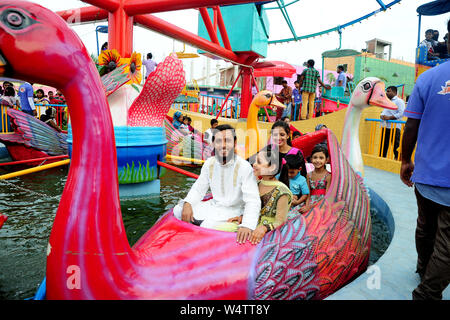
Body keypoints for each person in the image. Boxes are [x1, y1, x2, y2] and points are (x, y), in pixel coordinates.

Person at [400, 20, 450, 300]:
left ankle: (423, 269)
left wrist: (405, 160)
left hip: (427, 176)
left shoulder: (427, 78)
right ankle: (427, 293)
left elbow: (411, 126)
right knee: (447, 244)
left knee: (425, 227)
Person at [173, 124, 261, 243]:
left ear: (234, 143)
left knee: (207, 226)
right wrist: (188, 203)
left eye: (227, 140)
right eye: (219, 141)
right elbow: (199, 188)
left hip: (234, 210)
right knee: (178, 210)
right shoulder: (210, 163)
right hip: (214, 206)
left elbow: (252, 199)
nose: (223, 145)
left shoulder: (244, 167)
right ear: (214, 143)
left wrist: (247, 225)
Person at [247, 147, 292, 244]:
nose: (254, 164)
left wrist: (264, 228)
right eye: (255, 161)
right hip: (252, 229)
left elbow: (280, 221)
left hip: (271, 237)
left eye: (259, 162)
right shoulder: (257, 184)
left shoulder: (282, 191)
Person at [300, 144, 331, 214]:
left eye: (321, 158)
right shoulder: (309, 175)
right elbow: (307, 193)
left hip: (322, 204)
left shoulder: (328, 176)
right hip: (309, 203)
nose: (317, 160)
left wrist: (310, 207)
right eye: (315, 157)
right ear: (311, 159)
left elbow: (327, 197)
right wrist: (307, 205)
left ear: (326, 160)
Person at [379, 86, 405, 160]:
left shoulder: (399, 101)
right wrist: (382, 116)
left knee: (396, 145)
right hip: (385, 126)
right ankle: (381, 160)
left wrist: (389, 118)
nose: (386, 93)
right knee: (383, 145)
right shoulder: (387, 101)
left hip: (394, 127)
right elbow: (384, 112)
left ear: (394, 92)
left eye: (388, 91)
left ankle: (397, 161)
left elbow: (401, 113)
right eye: (386, 91)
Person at [285, 153, 309, 219]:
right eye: (287, 172)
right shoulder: (282, 176)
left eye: (292, 172)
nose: (289, 174)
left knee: (288, 217)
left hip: (293, 203)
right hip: (282, 199)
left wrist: (297, 202)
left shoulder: (302, 180)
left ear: (299, 169)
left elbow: (305, 194)